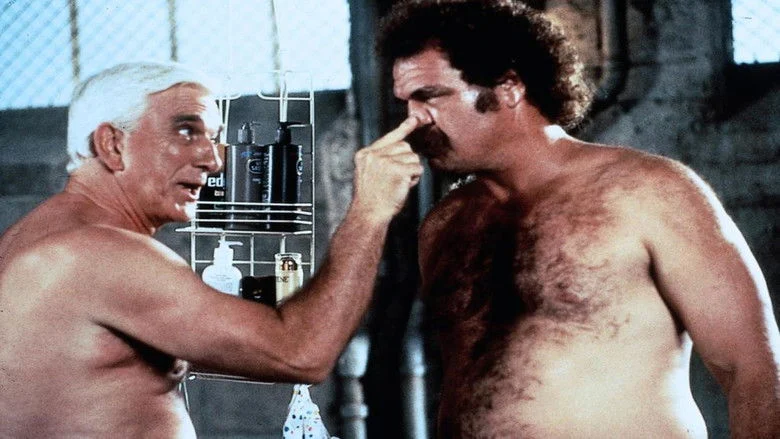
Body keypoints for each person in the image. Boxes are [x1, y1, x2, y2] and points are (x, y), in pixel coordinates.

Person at [378, 1, 780, 437]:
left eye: (429, 97)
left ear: (509, 87)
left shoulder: (649, 191)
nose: (413, 120)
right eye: (406, 103)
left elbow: (753, 369)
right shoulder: (444, 224)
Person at [0, 62, 423, 437]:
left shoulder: (33, 240)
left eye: (214, 137)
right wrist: (370, 211)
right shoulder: (98, 254)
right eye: (187, 131)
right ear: (112, 143)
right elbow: (300, 353)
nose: (214, 160)